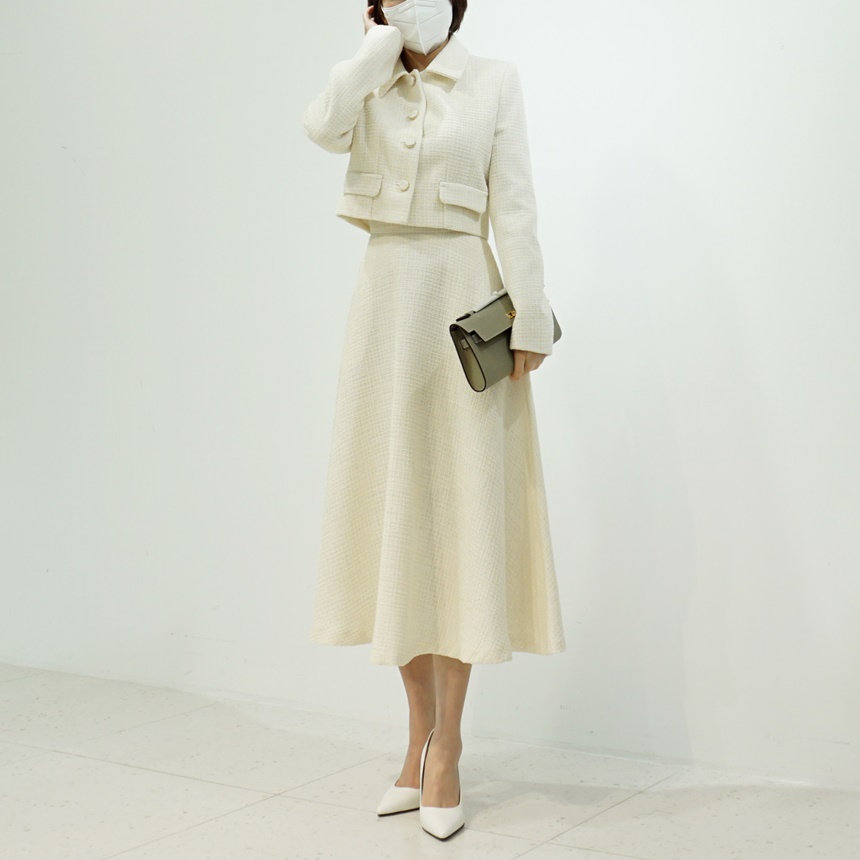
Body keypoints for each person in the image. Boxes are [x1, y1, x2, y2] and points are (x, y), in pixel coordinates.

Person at [301, 0, 566, 840]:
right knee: (396, 519)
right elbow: (321, 127)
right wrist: (371, 55)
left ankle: (447, 746)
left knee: (458, 518)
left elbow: (514, 206)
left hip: (461, 297)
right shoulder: (367, 81)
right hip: (384, 303)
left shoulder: (494, 81)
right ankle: (415, 736)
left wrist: (530, 317)